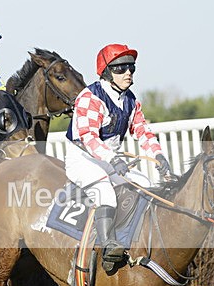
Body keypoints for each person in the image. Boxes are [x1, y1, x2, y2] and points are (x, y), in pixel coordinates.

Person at [65, 44, 175, 273]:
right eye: (120, 68)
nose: (128, 73)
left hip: (109, 160)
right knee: (105, 193)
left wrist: (158, 155)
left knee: (146, 185)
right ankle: (107, 247)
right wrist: (112, 159)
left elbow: (143, 131)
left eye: (131, 68)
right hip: (83, 160)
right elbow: (88, 137)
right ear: (106, 72)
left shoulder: (130, 100)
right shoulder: (90, 97)